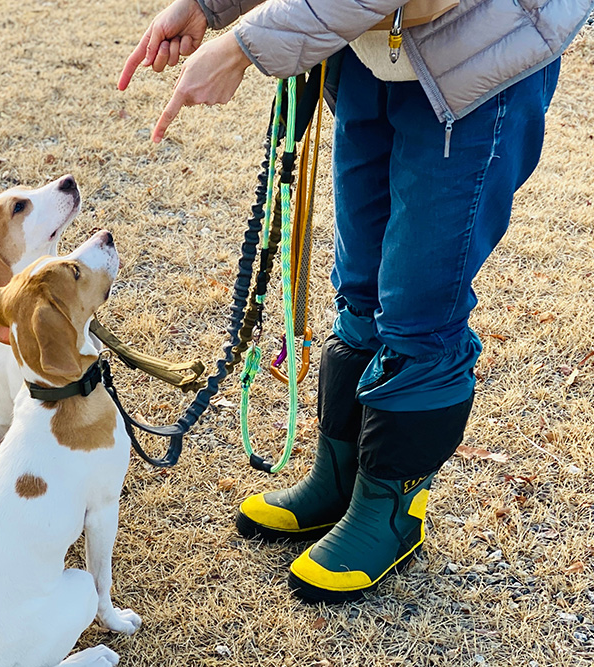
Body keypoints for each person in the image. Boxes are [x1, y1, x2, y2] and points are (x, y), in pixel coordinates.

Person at [118, 0, 593, 603]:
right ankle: (341, 475)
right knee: (361, 289)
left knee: (420, 302)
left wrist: (243, 45)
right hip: (372, 46)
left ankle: (391, 507)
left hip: (478, 53)